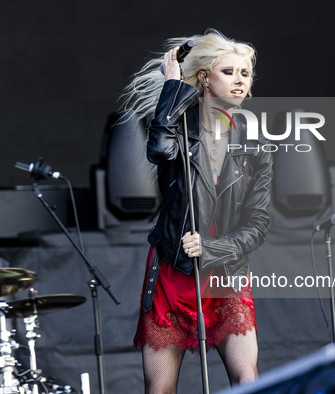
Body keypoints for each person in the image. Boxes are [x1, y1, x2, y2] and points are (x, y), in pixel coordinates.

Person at [119, 28, 273, 393]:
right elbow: (158, 151)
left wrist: (211, 246)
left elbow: (259, 223)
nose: (239, 81)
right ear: (203, 78)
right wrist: (172, 88)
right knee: (160, 389)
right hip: (172, 275)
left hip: (226, 275)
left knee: (247, 379)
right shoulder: (176, 130)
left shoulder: (256, 144)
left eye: (244, 74)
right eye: (228, 71)